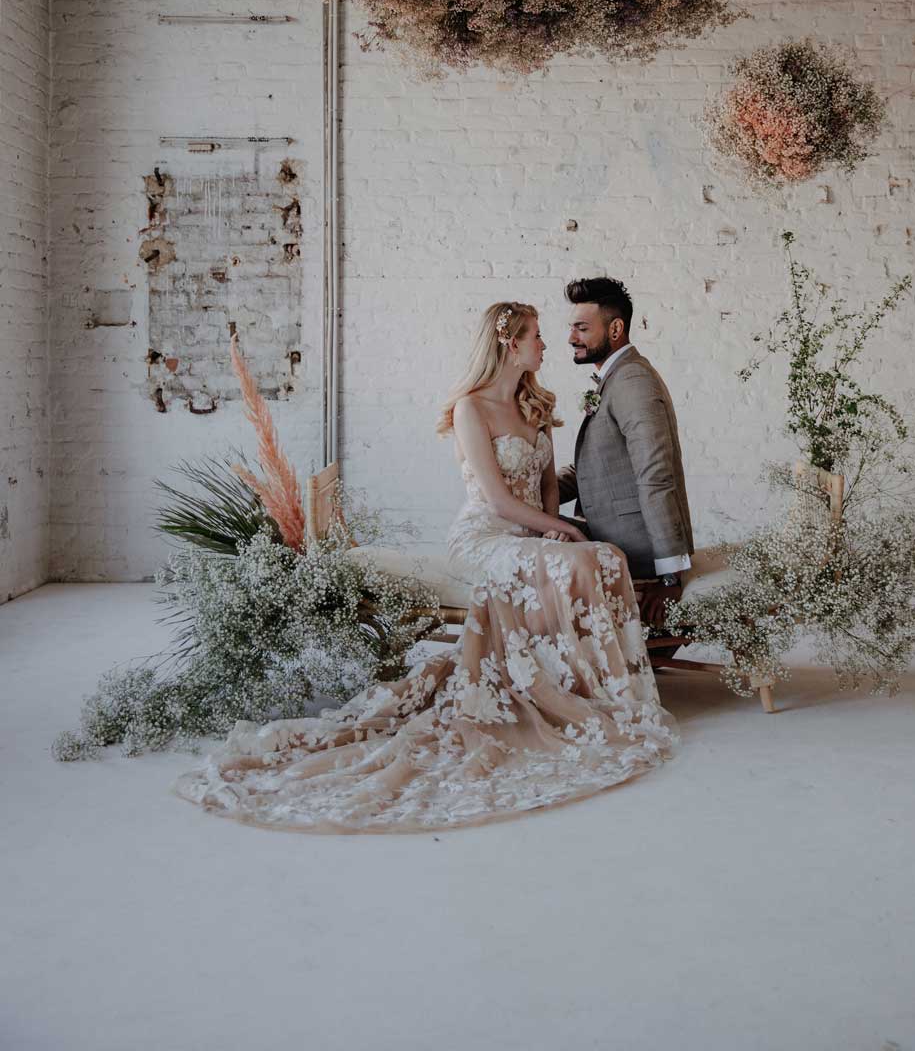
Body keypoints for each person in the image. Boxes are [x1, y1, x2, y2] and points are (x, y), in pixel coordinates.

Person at [176, 301, 674, 833]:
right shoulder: (470, 409)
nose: (547, 345)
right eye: (536, 336)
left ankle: (604, 691)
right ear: (509, 344)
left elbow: (549, 492)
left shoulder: (535, 406)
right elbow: (499, 502)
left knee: (604, 556)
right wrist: (564, 532)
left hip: (529, 533)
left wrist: (556, 528)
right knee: (578, 554)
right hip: (484, 536)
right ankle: (573, 694)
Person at [557, 277, 694, 628]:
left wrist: (669, 578)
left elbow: (656, 475)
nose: (571, 338)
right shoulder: (615, 378)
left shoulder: (632, 381)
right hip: (607, 533)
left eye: (582, 328)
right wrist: (531, 491)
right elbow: (596, 466)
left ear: (615, 328)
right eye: (572, 328)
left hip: (634, 549)